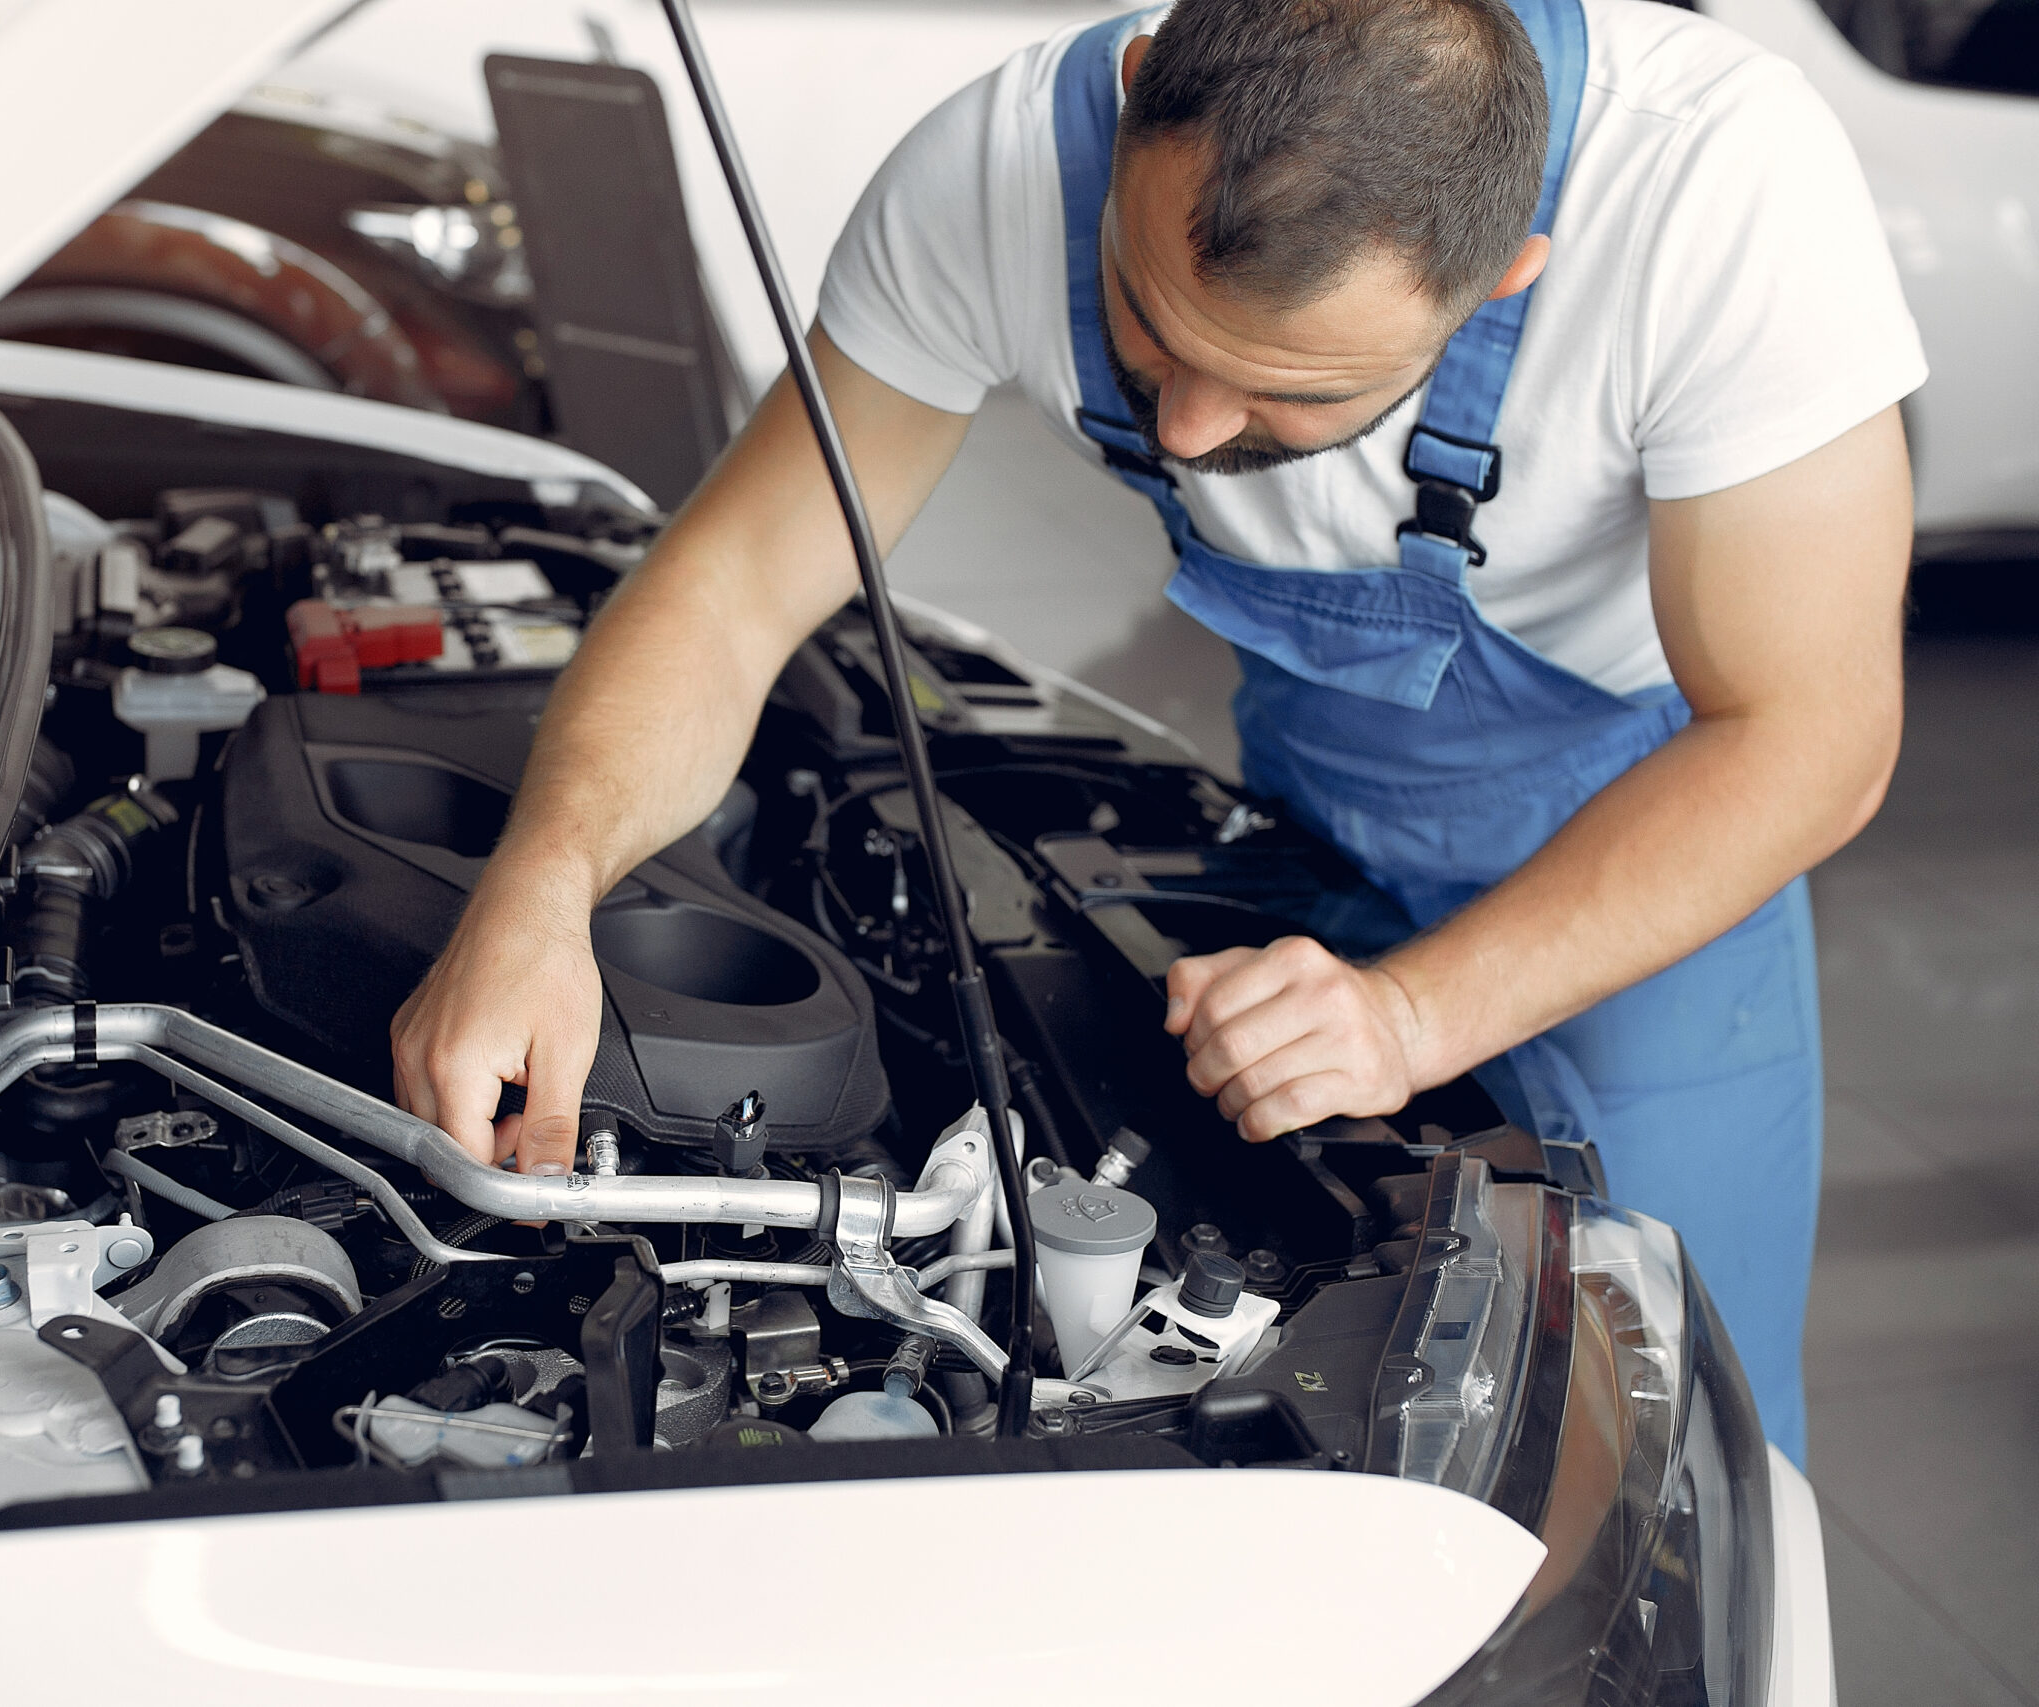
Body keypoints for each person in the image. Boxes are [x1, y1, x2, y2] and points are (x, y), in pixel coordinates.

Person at [391, 0, 1923, 1462]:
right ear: (1135, 96)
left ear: (1505, 279)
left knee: (1647, 1398)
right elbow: (730, 587)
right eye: (1147, 322)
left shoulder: (1719, 190)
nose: (1185, 430)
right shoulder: (992, 166)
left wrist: (1408, 1018)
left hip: (1665, 837)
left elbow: (1807, 733)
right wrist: (543, 884)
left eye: (1288, 389)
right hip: (1320, 793)